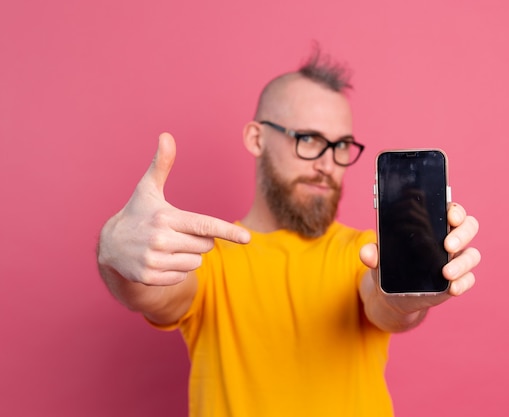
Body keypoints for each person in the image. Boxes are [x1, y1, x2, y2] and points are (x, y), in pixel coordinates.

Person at [97, 49, 481, 417]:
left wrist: (406, 297)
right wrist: (115, 251)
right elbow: (148, 291)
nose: (328, 165)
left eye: (342, 145)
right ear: (256, 138)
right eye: (309, 139)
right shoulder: (209, 256)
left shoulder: (367, 252)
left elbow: (387, 307)